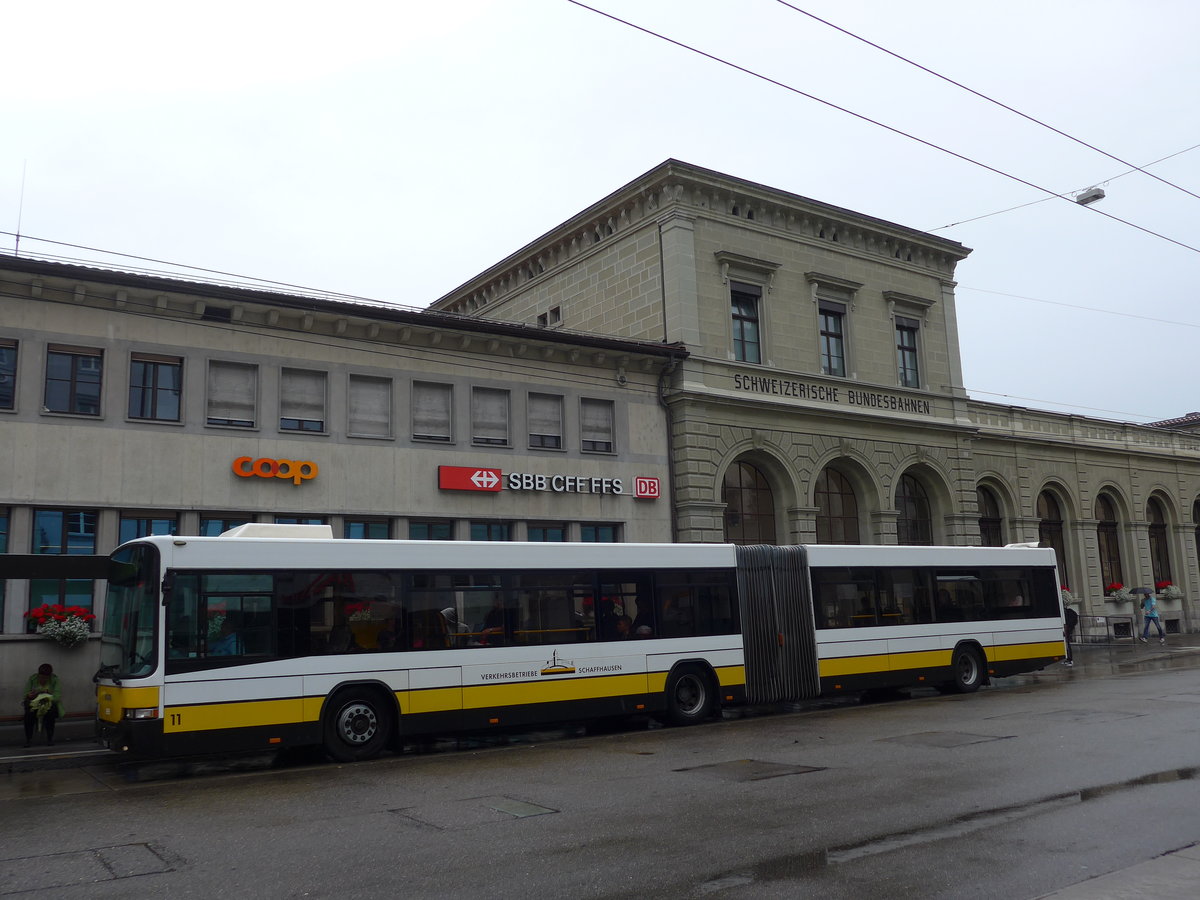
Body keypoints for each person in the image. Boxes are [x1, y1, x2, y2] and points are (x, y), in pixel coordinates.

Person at [23, 663, 64, 747]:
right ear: (38, 675)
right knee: (28, 715)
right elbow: (25, 694)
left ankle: (50, 738)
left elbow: (57, 697)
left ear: (50, 676)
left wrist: (47, 694)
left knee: (50, 713)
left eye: (45, 678)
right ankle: (28, 739)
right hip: (34, 704)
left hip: (49, 704)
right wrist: (30, 695)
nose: (43, 680)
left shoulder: (55, 680)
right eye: (41, 677)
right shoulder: (32, 679)